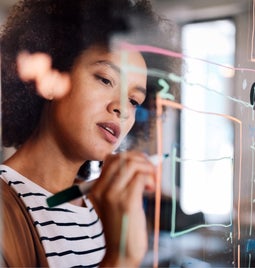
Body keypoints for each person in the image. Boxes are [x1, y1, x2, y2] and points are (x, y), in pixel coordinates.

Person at [0, 0, 178, 267]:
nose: (122, 109)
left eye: (134, 101)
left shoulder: (101, 211)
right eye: (105, 79)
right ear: (51, 79)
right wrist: (122, 259)